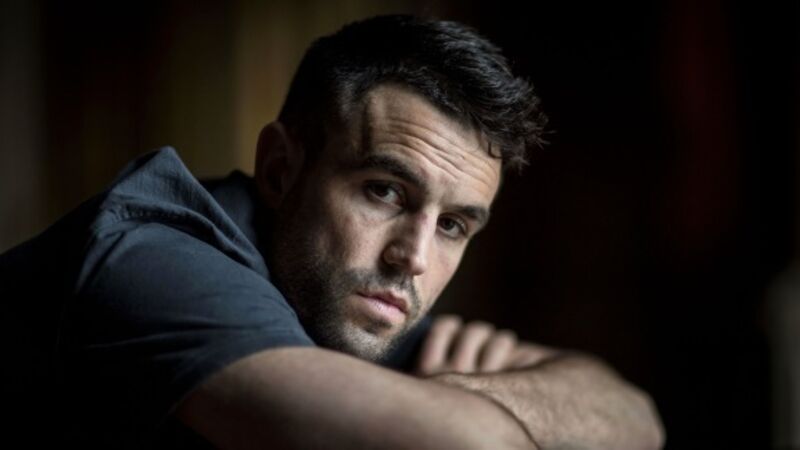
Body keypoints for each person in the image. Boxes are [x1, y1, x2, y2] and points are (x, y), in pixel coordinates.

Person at [0, 15, 663, 449]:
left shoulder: (347, 294)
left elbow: (634, 417)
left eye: (453, 224)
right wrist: (443, 409)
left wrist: (472, 395)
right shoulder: (153, 258)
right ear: (281, 169)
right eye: (384, 191)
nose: (413, 257)